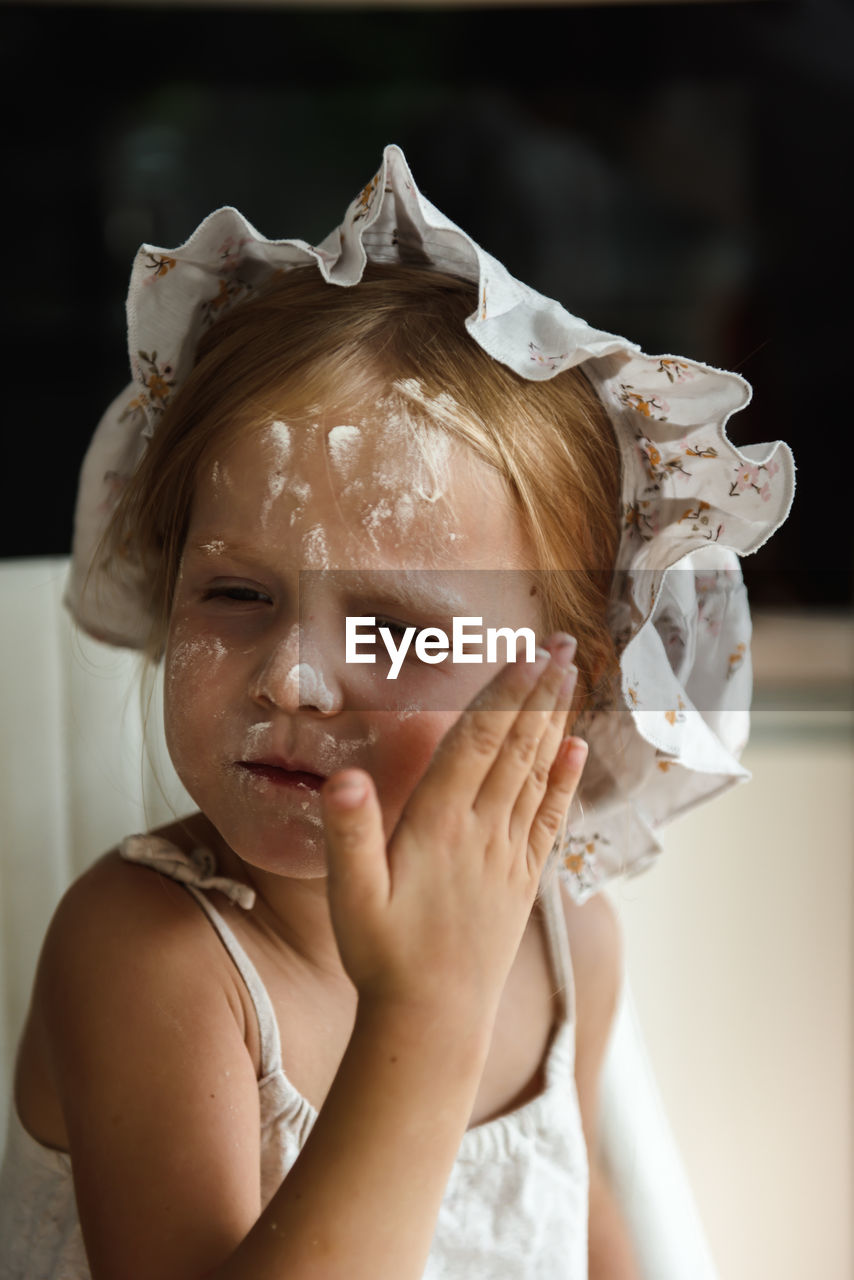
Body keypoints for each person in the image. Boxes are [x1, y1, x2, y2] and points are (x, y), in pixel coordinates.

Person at [0, 144, 795, 1280]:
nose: (293, 678)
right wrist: (426, 1006)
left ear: (563, 689)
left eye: (402, 629)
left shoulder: (567, 945)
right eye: (236, 593)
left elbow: (586, 1242)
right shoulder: (150, 958)